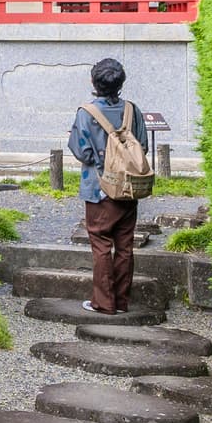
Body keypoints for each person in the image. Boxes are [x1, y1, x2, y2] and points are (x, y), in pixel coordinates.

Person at [67, 57, 153, 314]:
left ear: (94, 82)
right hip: (129, 188)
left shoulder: (87, 112)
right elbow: (143, 147)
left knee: (102, 244)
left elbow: (80, 150)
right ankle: (122, 301)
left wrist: (99, 162)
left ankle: (104, 303)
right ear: (120, 83)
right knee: (125, 246)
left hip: (98, 188)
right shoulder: (132, 110)